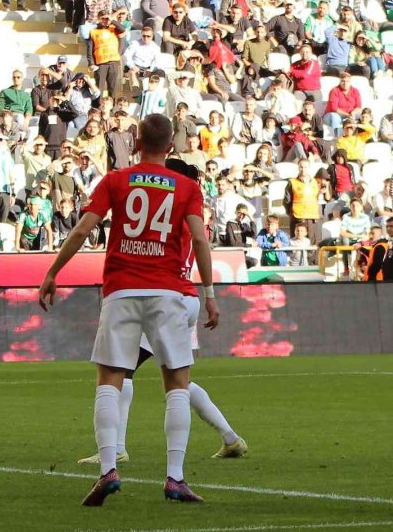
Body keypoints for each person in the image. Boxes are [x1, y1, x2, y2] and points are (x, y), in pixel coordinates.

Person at [38, 113, 219, 505]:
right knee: (177, 384)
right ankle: (175, 478)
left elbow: (84, 229)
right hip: (169, 292)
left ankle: (108, 470)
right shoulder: (187, 186)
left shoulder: (116, 181)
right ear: (171, 146)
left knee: (109, 379)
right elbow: (201, 241)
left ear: (136, 142)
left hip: (121, 291)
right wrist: (209, 293)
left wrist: (53, 272)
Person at [78, 159, 246, 466]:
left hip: (167, 297)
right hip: (185, 297)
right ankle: (230, 437)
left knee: (122, 371)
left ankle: (116, 448)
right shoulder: (190, 214)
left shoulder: (172, 213)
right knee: (177, 378)